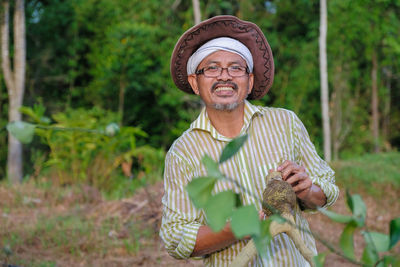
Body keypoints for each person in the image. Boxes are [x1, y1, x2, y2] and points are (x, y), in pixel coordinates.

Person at [160, 15, 339, 267]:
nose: (225, 76)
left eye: (236, 67)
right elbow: (176, 238)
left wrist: (307, 190)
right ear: (195, 82)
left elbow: (327, 192)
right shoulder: (183, 152)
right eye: (211, 68)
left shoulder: (285, 123)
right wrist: (236, 229)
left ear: (250, 80)